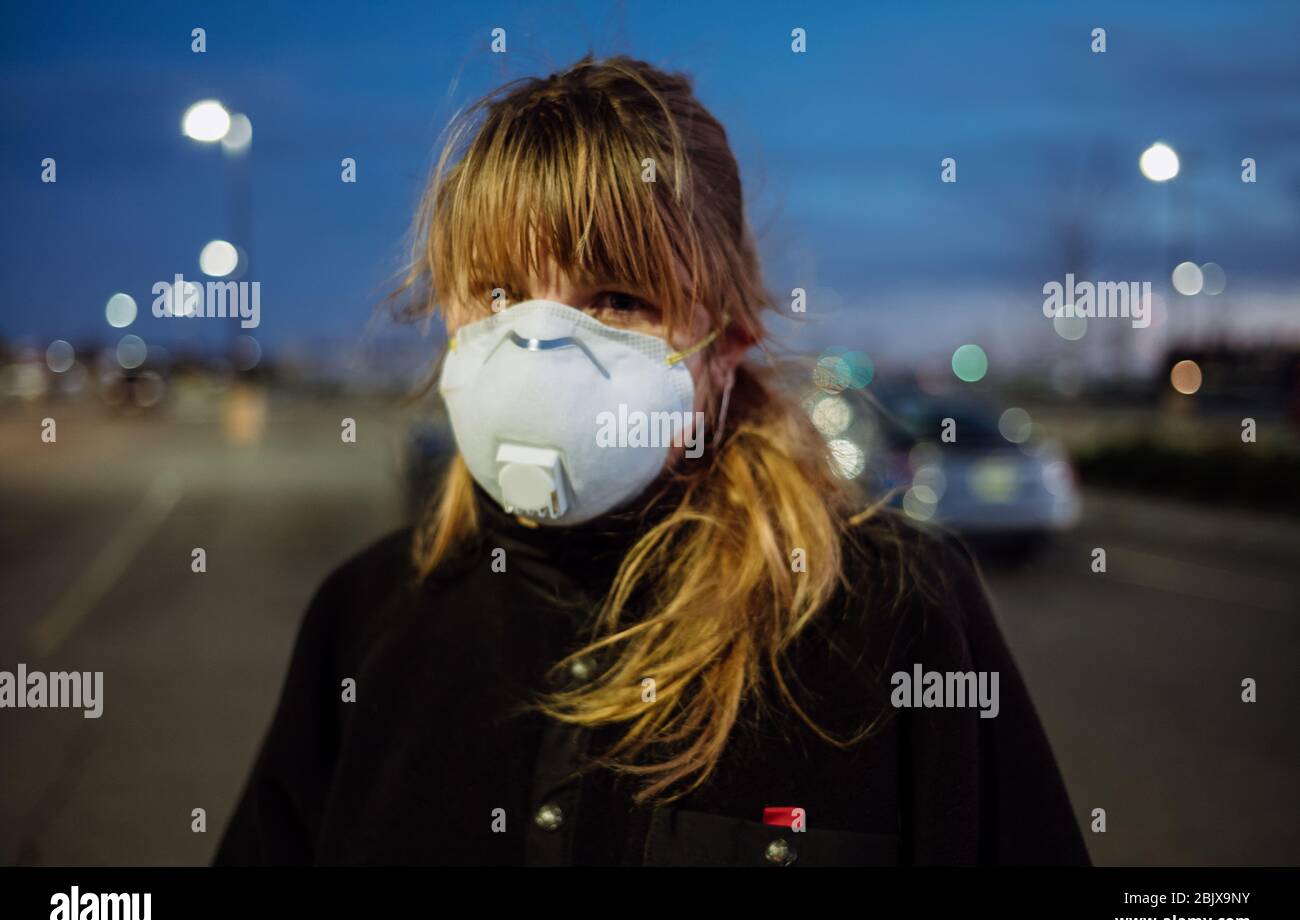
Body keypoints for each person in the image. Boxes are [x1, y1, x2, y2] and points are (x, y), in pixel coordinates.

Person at [214, 53, 1089, 866]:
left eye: (619, 299)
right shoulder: (365, 620)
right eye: (499, 293)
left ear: (724, 346)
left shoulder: (892, 616)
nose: (539, 348)